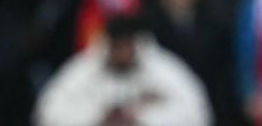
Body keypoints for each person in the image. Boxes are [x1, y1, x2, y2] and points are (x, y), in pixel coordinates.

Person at [34, 14, 212, 126]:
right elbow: (47, 115)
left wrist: (141, 119)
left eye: (127, 46)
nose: (123, 53)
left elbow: (198, 114)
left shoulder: (164, 70)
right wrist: (99, 117)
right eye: (118, 46)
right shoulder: (84, 70)